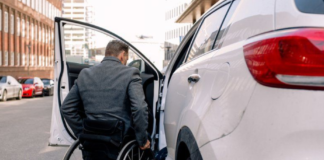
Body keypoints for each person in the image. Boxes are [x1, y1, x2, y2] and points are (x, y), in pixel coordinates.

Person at [61, 40, 150, 159]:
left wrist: (82, 133)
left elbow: (66, 108)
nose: (125, 63)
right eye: (126, 60)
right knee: (145, 139)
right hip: (119, 140)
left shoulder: (85, 74)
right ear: (122, 55)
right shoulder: (130, 73)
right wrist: (142, 140)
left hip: (91, 138)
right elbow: (139, 108)